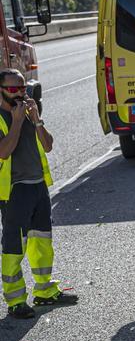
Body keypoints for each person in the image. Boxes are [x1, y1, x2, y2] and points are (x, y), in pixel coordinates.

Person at [0, 69, 77, 318]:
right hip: (14, 191)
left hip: (37, 185)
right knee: (14, 246)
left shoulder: (29, 113)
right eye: (14, 89)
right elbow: (4, 152)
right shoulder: (3, 117)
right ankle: (15, 300)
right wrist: (18, 121)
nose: (21, 93)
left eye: (23, 88)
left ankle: (44, 291)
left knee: (42, 242)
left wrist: (37, 120)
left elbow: (48, 145)